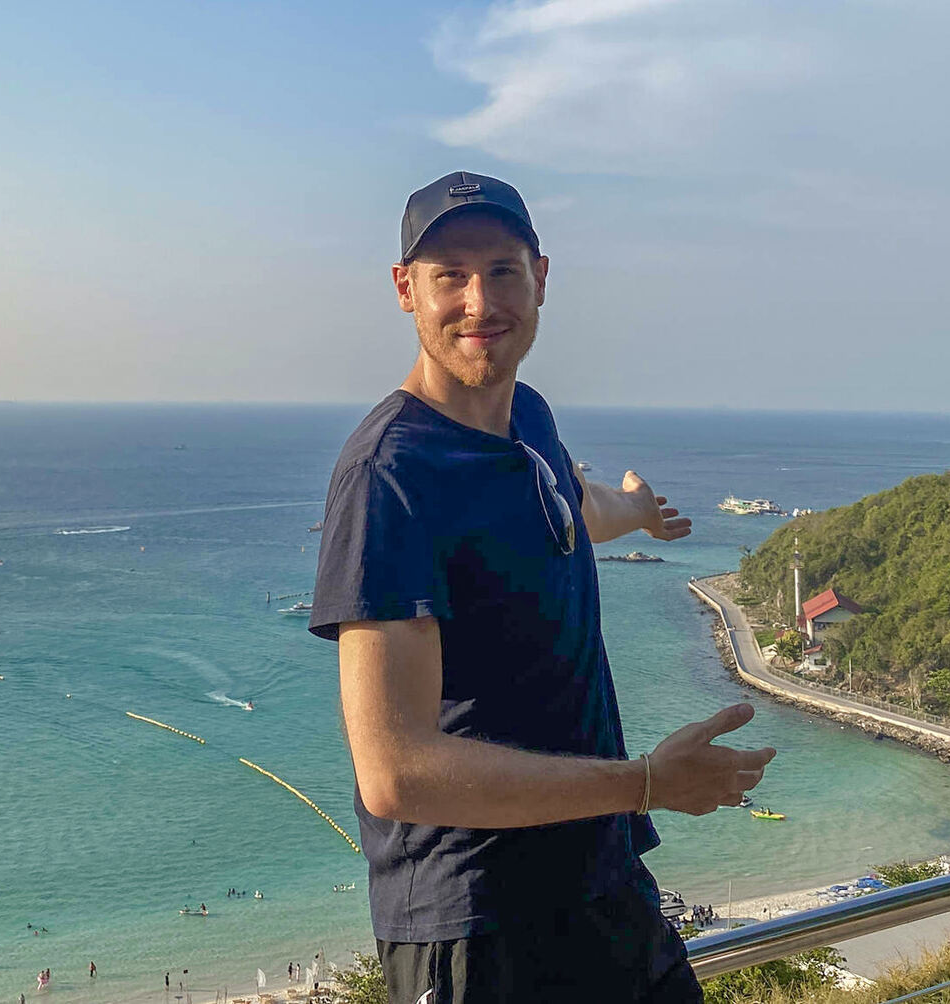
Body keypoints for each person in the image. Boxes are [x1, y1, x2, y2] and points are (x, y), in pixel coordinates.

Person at [310, 172, 777, 1004]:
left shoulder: (527, 414)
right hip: (479, 927)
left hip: (603, 884)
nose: (479, 300)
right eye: (449, 274)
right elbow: (395, 770)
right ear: (404, 288)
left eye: (502, 270)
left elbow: (561, 507)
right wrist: (645, 784)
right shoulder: (391, 474)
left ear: (542, 279)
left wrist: (633, 511)